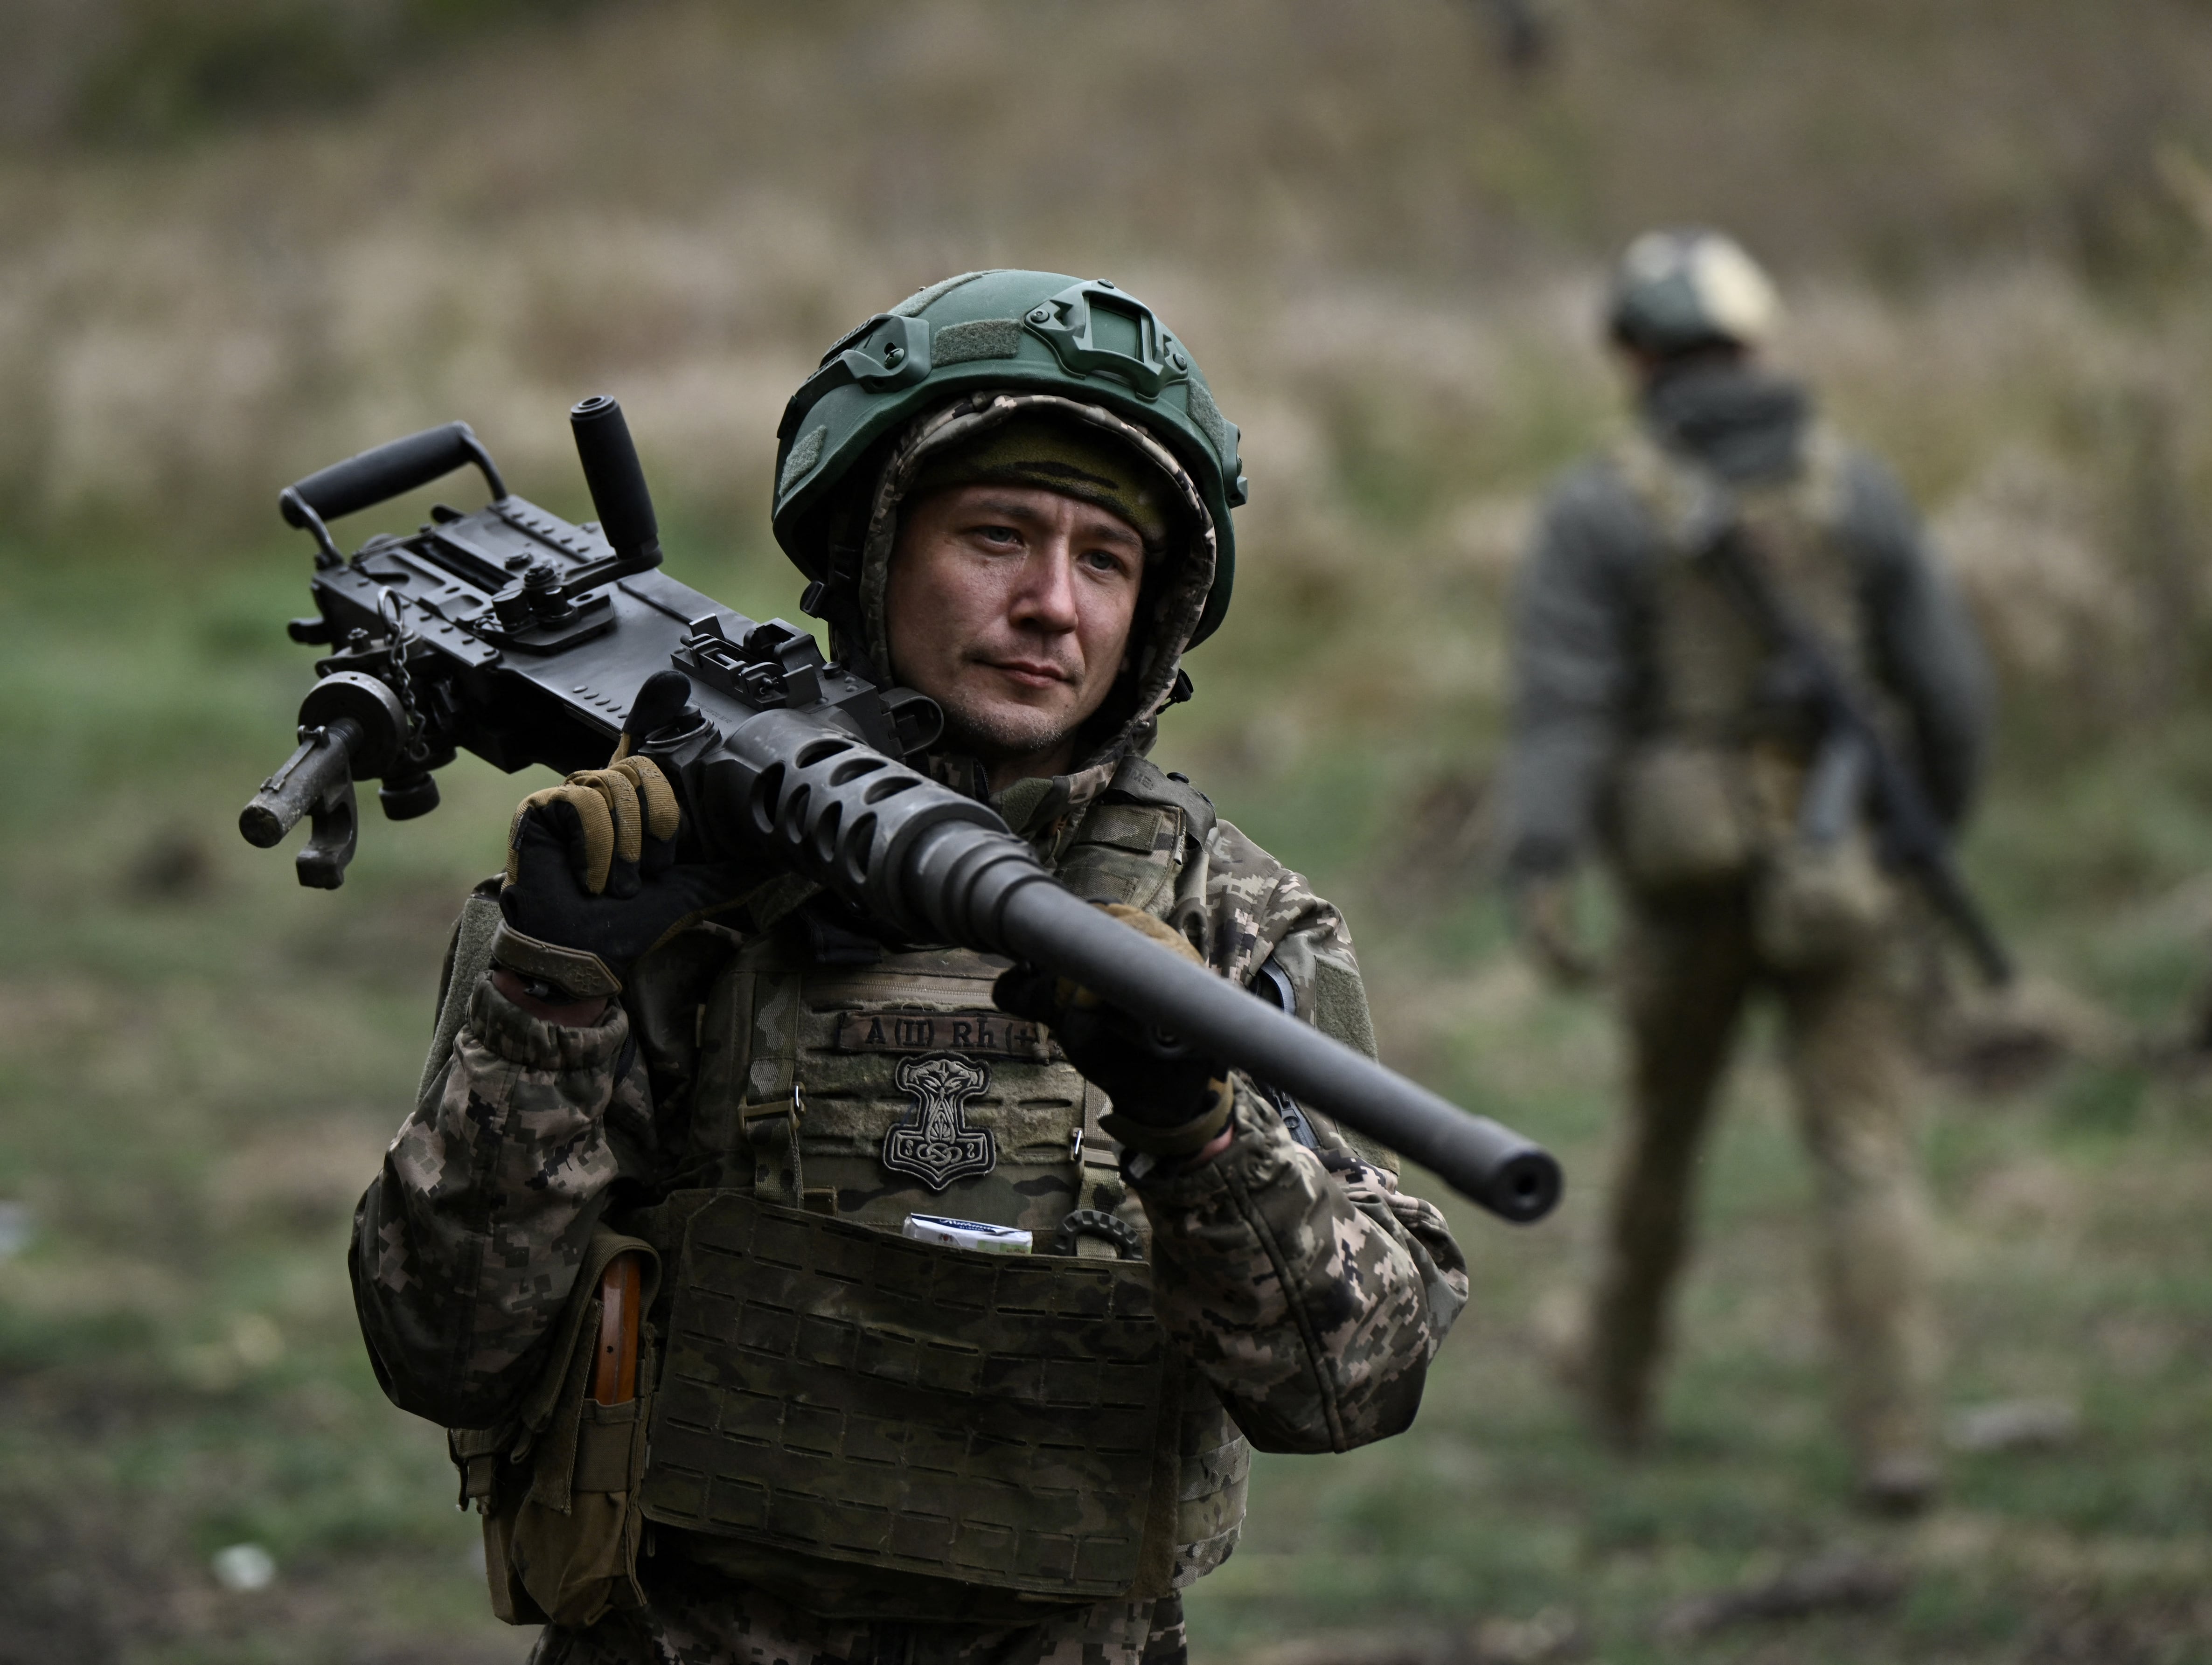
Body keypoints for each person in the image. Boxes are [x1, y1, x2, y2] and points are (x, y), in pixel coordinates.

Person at [349, 268, 1469, 1665]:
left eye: (1105, 560)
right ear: (876, 556)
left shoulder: (1230, 921)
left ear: (1155, 613)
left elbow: (1348, 1385)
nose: (1052, 605)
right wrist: (552, 991)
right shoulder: (658, 877)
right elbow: (440, 1345)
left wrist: (1202, 1129)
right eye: (997, 537)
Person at [1501, 229, 1991, 1514]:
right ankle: (1896, 1436)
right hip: (1845, 878)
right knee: (1868, 1154)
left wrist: (1543, 859)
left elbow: (1567, 704)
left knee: (1661, 1141)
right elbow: (1950, 693)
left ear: (1630, 355)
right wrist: (1917, 829)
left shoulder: (1601, 505)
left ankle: (1615, 1387)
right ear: (1758, 341)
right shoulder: (1858, 488)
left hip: (1683, 884)